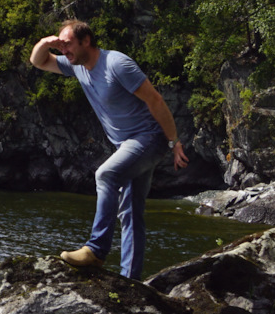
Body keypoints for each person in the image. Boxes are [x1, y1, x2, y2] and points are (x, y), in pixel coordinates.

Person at [28, 20, 188, 277]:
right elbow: (39, 61)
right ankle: (130, 280)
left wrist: (174, 142)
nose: (64, 50)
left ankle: (96, 250)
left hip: (149, 138)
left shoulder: (117, 64)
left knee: (105, 174)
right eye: (61, 45)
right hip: (128, 144)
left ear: (86, 41)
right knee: (132, 212)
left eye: (68, 44)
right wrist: (48, 43)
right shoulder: (76, 66)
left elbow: (155, 100)